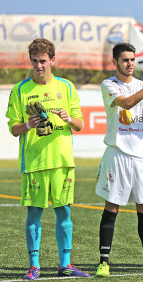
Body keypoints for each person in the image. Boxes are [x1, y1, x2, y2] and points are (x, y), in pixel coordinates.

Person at [5, 38, 89, 280]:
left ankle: (65, 265)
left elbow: (80, 124)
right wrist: (27, 125)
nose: (38, 66)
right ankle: (34, 266)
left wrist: (67, 118)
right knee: (34, 215)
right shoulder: (20, 90)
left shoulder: (67, 87)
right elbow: (13, 128)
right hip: (34, 162)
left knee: (64, 214)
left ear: (53, 60)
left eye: (43, 61)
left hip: (62, 162)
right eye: (34, 61)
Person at [95, 42, 143, 277]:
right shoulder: (109, 84)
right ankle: (103, 262)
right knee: (112, 206)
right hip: (117, 154)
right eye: (125, 60)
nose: (130, 64)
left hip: (141, 156)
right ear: (115, 62)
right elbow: (127, 103)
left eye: (132, 59)